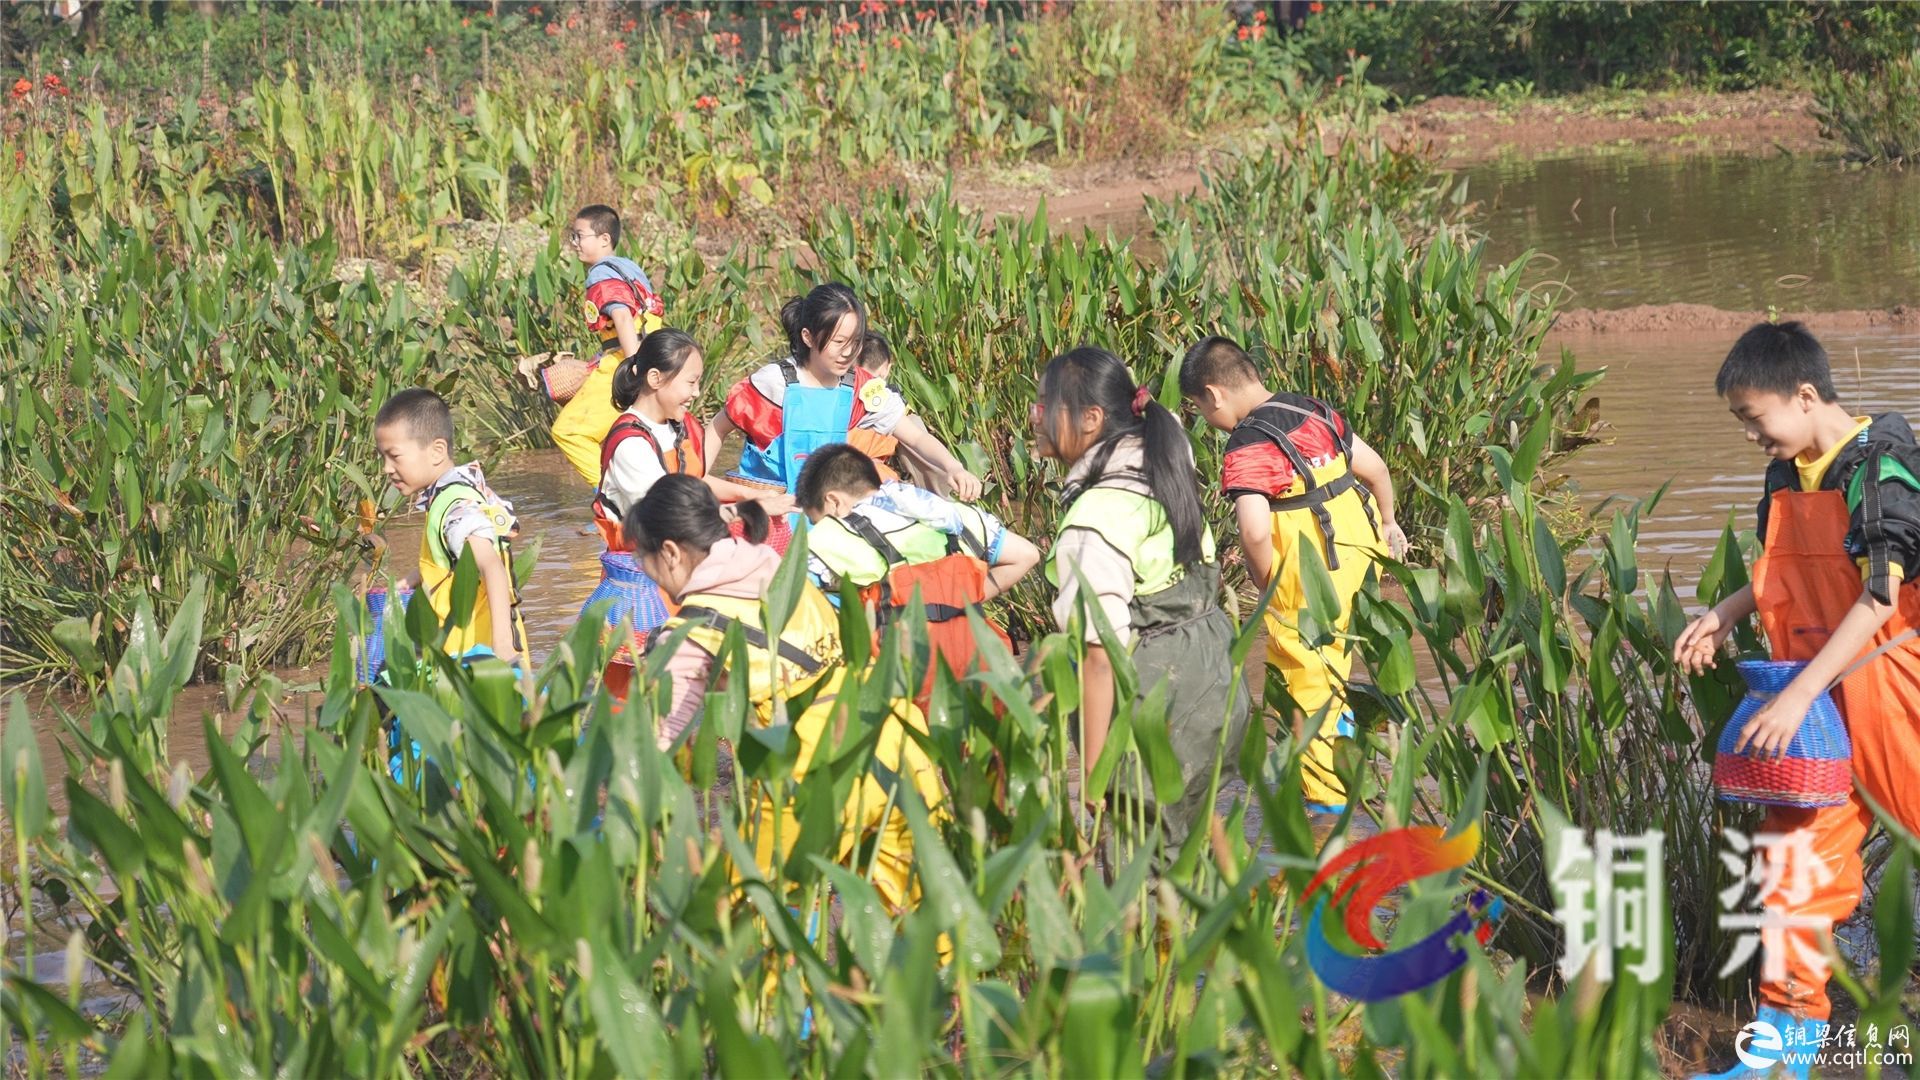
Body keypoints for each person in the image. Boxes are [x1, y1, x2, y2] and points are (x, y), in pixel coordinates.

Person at [1675, 322, 1920, 1080]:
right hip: (1815, 705)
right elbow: (1779, 572)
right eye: (1741, 421)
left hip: (1894, 685)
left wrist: (1802, 693)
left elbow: (1881, 597)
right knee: (1792, 864)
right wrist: (1722, 614)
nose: (1751, 435)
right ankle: (1789, 1044)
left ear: (1806, 394)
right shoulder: (1789, 473)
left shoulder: (1882, 465)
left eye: (1755, 417)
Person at [628, 475, 946, 912]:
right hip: (895, 739)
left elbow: (648, 750)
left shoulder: (687, 635)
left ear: (669, 552)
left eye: (643, 561)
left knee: (735, 921)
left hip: (814, 778)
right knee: (927, 927)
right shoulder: (778, 563)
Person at [1179, 335, 1405, 817]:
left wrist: (1266, 587)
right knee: (1335, 665)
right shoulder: (1314, 409)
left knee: (1304, 683)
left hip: (1306, 573)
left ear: (1214, 395)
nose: (1207, 420)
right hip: (1357, 559)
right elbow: (1377, 469)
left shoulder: (1248, 443)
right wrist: (1389, 523)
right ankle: (1355, 757)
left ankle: (1328, 811)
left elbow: (1255, 530)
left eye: (1200, 409)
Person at [1033, 346, 1249, 847]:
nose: (1035, 416)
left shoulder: (1094, 521)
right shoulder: (1164, 459)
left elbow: (1100, 655)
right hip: (1216, 682)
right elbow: (1164, 418)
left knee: (1145, 876)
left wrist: (1092, 772)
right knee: (1192, 850)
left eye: (1047, 404)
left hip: (1162, 704)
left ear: (1091, 419)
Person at [793, 443, 1040, 701]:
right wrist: (967, 598)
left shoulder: (835, 535)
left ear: (833, 502)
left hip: (908, 685)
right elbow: (1027, 555)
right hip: (982, 674)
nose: (817, 527)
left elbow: (788, 604)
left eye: (816, 519)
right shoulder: (950, 515)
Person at [706, 283, 983, 510]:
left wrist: (954, 468)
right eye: (839, 342)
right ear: (808, 337)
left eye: (855, 343)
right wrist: (701, 476)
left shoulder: (860, 389)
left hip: (826, 513)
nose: (848, 353)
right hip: (770, 511)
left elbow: (917, 437)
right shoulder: (774, 383)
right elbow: (719, 426)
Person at [593, 328, 795, 550]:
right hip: (643, 569)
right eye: (691, 382)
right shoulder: (631, 445)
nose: (697, 392)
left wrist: (755, 495)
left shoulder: (674, 426)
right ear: (655, 378)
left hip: (679, 557)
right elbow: (671, 515)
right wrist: (748, 510)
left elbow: (694, 481)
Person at [374, 388, 527, 665]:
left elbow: (490, 566)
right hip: (464, 654)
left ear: (437, 451)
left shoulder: (455, 508)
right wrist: (409, 581)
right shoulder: (454, 491)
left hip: (481, 660)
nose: (386, 468)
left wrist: (502, 646)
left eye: (394, 456)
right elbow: (453, 562)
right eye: (383, 457)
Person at [550, 203, 667, 484]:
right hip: (653, 352)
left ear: (604, 239)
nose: (574, 243)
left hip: (627, 360)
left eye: (579, 235)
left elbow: (623, 319)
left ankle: (611, 494)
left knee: (568, 432)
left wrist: (636, 367)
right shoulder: (629, 267)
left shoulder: (601, 274)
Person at [859, 329, 948, 494]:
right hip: (873, 480)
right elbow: (917, 438)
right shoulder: (893, 403)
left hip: (845, 476)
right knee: (913, 423)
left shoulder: (838, 390)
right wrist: (953, 468)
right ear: (887, 369)